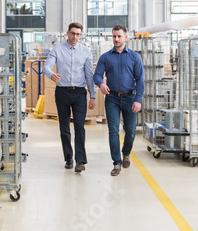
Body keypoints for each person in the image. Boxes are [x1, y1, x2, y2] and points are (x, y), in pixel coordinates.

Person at [43, 22, 96, 173]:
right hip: (62, 92)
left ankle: (80, 160)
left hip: (79, 92)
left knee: (79, 127)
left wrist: (92, 95)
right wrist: (51, 74)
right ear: (67, 33)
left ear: (81, 35)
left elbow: (89, 76)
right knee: (64, 127)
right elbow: (46, 67)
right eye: (72, 33)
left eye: (78, 34)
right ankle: (68, 158)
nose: (75, 37)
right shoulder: (57, 50)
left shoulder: (85, 52)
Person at [94, 25, 145, 176]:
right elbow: (96, 75)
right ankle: (116, 163)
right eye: (114, 36)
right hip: (112, 99)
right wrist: (101, 84)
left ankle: (126, 153)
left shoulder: (134, 57)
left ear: (125, 37)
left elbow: (140, 80)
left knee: (130, 131)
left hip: (130, 98)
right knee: (113, 131)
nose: (116, 39)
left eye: (119, 36)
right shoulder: (105, 57)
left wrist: (138, 100)